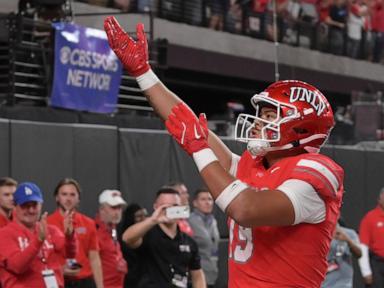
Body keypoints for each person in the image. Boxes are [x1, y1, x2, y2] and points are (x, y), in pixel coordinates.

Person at [104, 17, 344, 287]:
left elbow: (245, 208)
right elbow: (187, 122)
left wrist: (199, 149)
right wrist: (143, 73)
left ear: (300, 128)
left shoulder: (316, 171)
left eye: (269, 116)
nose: (258, 123)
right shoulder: (252, 165)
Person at [122, 187, 206, 288]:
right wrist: (153, 220)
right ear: (155, 207)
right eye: (164, 206)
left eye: (174, 206)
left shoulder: (189, 241)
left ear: (181, 207)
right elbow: (127, 238)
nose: (169, 210)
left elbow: (197, 274)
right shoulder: (146, 234)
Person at [0, 182, 77, 288]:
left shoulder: (51, 230)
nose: (31, 210)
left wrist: (70, 236)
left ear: (41, 205)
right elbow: (17, 266)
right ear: (14, 206)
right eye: (25, 206)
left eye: (34, 205)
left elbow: (69, 254)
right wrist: (38, 241)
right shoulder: (5, 234)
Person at [47, 178, 104, 288]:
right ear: (57, 198)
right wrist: (59, 269)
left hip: (85, 281)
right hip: (59, 280)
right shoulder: (47, 223)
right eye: (64, 194)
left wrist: (100, 286)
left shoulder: (89, 223)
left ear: (78, 199)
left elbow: (94, 258)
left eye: (72, 195)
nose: (68, 199)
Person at [96, 189, 128, 288]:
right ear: (102, 209)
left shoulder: (113, 229)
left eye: (119, 208)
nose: (118, 212)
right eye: (113, 208)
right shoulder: (94, 232)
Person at [188, 188, 220, 288]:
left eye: (210, 199)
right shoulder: (189, 221)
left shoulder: (213, 221)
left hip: (212, 274)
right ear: (195, 203)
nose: (208, 202)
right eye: (203, 199)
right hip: (195, 276)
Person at [322, 221, 362, 288]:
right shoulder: (318, 235)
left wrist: (348, 240)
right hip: (324, 284)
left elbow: (359, 254)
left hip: (344, 284)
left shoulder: (349, 233)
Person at [117, 203, 148, 288]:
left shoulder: (151, 234)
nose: (143, 219)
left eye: (145, 215)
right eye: (139, 216)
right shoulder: (120, 235)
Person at [359, 187, 384, 287]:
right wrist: (366, 271)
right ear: (379, 199)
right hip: (377, 265)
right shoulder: (370, 218)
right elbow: (363, 246)